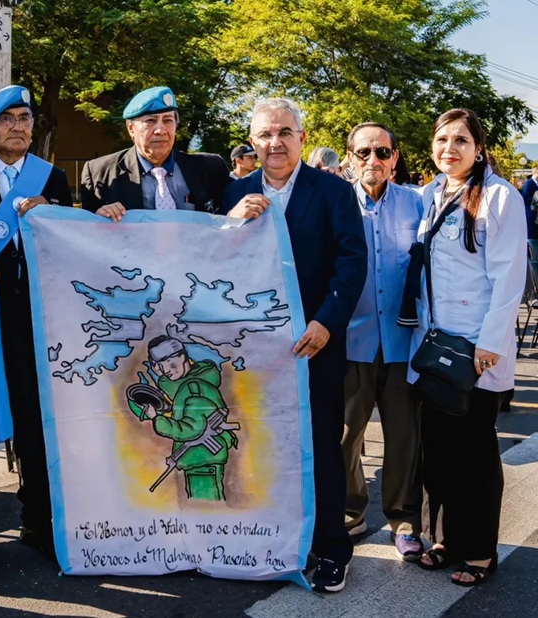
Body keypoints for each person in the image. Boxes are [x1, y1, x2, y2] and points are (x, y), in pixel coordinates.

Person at [221, 97, 367, 592]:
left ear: (301, 138)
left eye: (284, 132)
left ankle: (330, 549)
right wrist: (230, 221)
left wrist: (327, 322)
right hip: (252, 353)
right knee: (261, 447)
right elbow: (209, 261)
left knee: (320, 446)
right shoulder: (234, 191)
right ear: (253, 140)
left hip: (313, 347)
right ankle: (273, 541)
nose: (274, 142)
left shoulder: (333, 192)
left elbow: (351, 263)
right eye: (265, 134)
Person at [408, 109, 526, 587]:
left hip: (477, 349)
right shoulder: (429, 195)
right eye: (442, 140)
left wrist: (490, 343)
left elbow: (508, 277)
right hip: (436, 345)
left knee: (475, 451)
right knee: (437, 450)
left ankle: (479, 550)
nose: (449, 149)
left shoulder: (500, 197)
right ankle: (445, 539)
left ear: (478, 147)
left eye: (461, 141)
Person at [0, 84, 73, 566]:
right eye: (7, 119)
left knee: (35, 424)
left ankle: (38, 520)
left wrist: (53, 215)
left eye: (25, 118)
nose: (18, 126)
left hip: (36, 317)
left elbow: (68, 246)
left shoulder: (50, 177)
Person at [341, 123, 424, 561]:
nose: (372, 160)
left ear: (395, 157)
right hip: (351, 339)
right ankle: (351, 512)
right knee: (345, 436)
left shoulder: (417, 202)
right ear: (350, 157)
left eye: (382, 151)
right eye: (363, 152)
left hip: (402, 339)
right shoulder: (336, 203)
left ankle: (404, 519)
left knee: (403, 436)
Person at [80, 86, 230, 219]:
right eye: (150, 121)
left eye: (168, 120)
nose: (160, 130)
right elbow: (87, 236)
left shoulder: (211, 168)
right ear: (131, 128)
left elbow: (231, 217)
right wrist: (99, 219)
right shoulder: (100, 172)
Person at [127, 335, 238, 500]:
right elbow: (180, 410)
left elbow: (190, 429)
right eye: (161, 368)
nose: (166, 372)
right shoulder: (187, 387)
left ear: (182, 356)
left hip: (204, 461)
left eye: (171, 365)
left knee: (205, 509)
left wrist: (156, 419)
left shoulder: (195, 388)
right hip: (200, 460)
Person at [520, 164, 538, 239]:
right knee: (531, 237)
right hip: (530, 214)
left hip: (535, 215)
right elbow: (524, 198)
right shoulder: (528, 184)